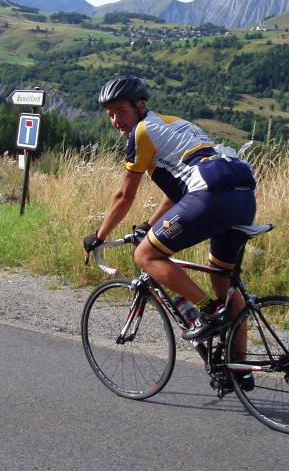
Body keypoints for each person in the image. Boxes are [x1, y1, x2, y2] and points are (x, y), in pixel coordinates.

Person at [82, 75, 257, 354]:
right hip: (243, 195)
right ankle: (239, 370)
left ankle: (206, 312)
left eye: (121, 111)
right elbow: (177, 193)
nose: (116, 120)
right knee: (223, 279)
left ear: (140, 105)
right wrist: (149, 225)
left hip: (211, 194)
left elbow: (124, 196)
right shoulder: (176, 123)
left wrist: (99, 235)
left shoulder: (141, 132)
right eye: (110, 114)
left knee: (146, 255)